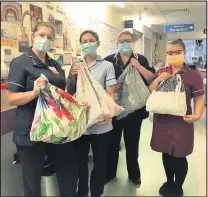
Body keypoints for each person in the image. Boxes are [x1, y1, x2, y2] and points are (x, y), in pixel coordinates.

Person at [6, 22, 78, 197]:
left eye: (49, 37)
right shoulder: (20, 62)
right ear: (33, 36)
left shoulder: (54, 64)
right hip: (31, 131)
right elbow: (11, 98)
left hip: (57, 128)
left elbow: (62, 92)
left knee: (68, 173)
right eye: (41, 35)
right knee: (32, 182)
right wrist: (34, 92)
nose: (45, 40)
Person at [149, 39, 205, 197]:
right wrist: (159, 79)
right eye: (170, 53)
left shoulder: (193, 75)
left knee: (180, 155)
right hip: (162, 121)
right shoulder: (161, 71)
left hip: (182, 122)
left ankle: (178, 186)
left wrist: (197, 115)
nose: (173, 55)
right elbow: (151, 90)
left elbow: (199, 98)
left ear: (184, 53)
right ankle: (169, 182)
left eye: (177, 52)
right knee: (166, 153)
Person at [67, 30, 117, 197]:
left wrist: (110, 113)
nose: (87, 43)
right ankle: (82, 191)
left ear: (98, 43)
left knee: (100, 161)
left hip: (101, 123)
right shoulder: (76, 65)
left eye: (91, 40)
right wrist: (72, 77)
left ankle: (96, 192)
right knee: (80, 160)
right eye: (84, 41)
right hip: (81, 123)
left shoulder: (107, 66)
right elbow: (69, 92)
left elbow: (110, 92)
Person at [104, 31, 155, 185]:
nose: (125, 43)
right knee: (112, 144)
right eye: (122, 41)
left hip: (134, 110)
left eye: (128, 40)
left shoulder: (141, 59)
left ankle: (134, 174)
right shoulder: (109, 60)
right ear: (117, 43)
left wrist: (138, 66)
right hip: (115, 109)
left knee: (132, 143)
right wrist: (113, 86)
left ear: (133, 42)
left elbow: (151, 78)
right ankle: (110, 172)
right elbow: (102, 82)